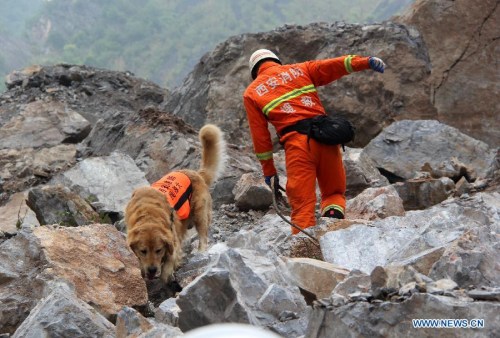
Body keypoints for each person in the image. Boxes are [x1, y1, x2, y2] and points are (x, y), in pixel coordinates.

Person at [242, 48, 385, 234]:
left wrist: (269, 171)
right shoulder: (300, 69)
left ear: (255, 72)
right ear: (277, 61)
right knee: (334, 193)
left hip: (298, 147)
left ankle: (305, 255)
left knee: (302, 206)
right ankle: (333, 226)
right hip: (326, 138)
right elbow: (336, 65)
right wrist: (366, 61)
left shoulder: (252, 93)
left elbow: (261, 139)